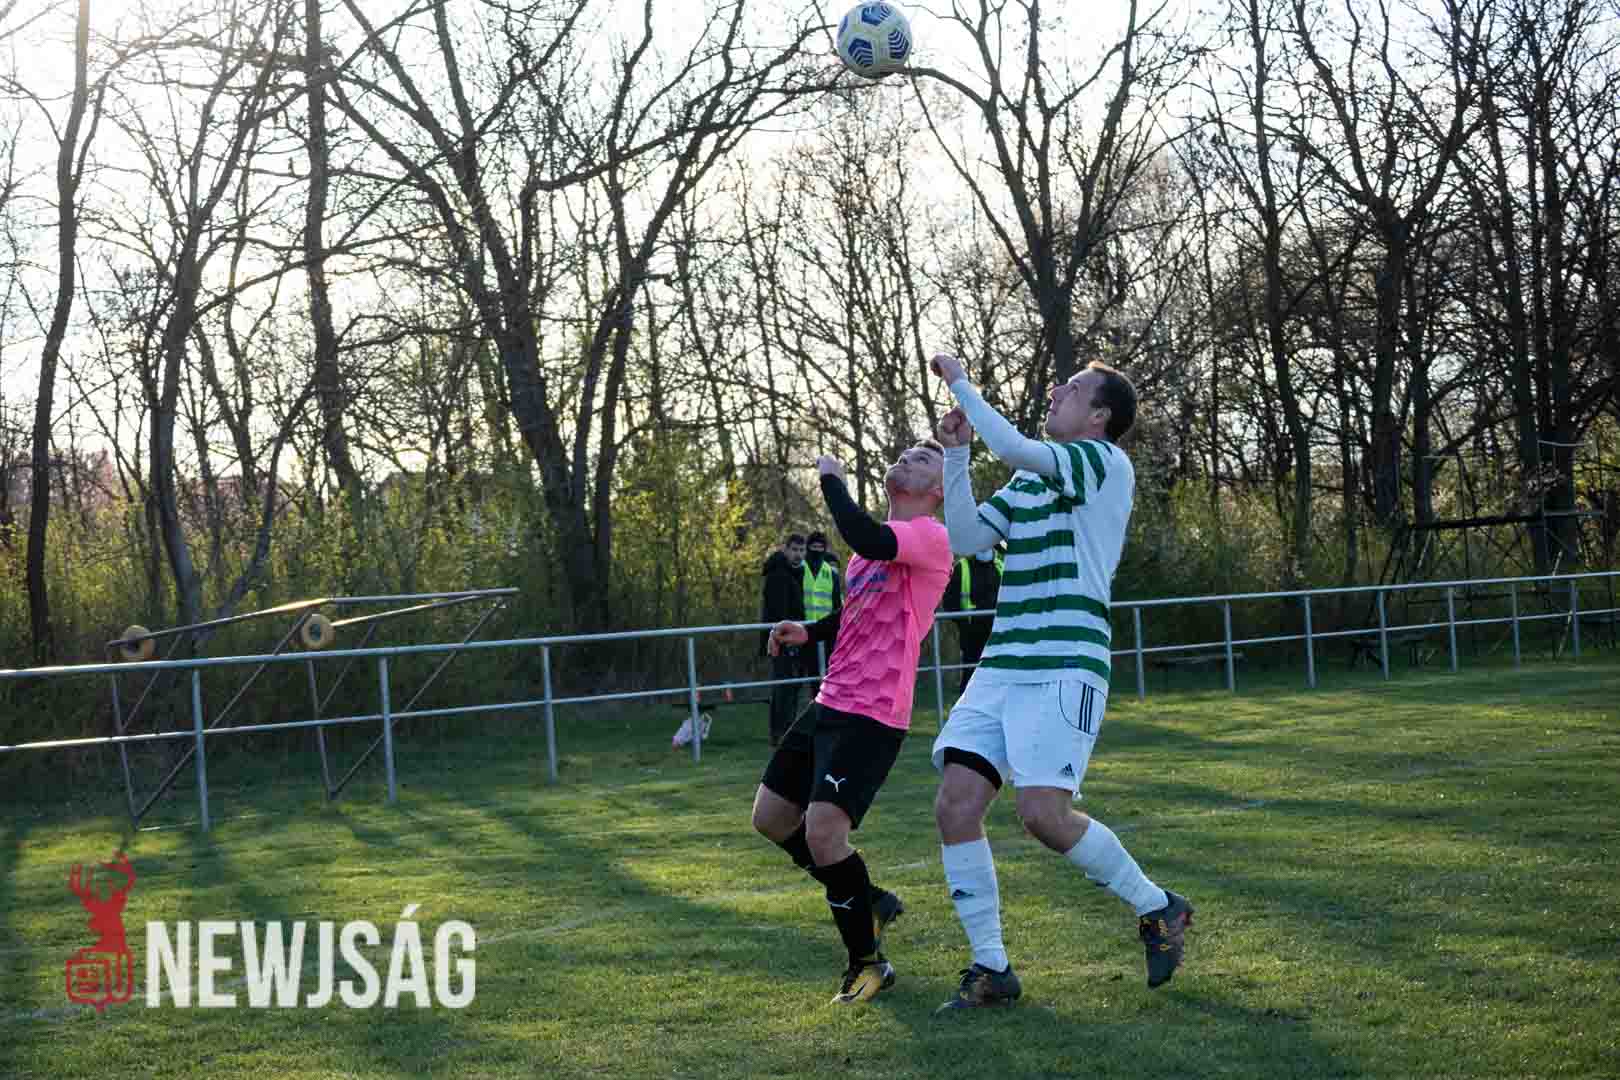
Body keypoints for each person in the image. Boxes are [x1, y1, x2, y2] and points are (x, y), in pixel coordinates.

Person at [927, 351, 1193, 1012]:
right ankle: (992, 968)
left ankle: (1157, 906)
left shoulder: (1103, 463)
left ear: (1099, 416)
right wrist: (956, 457)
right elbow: (965, 538)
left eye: (1071, 389)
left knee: (1042, 815)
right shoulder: (1030, 478)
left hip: (1065, 663)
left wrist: (962, 383)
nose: (1055, 392)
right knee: (955, 805)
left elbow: (1014, 445)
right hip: (1001, 668)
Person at [749, 441, 954, 1005]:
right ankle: (871, 901)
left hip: (874, 714)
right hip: (831, 701)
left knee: (823, 831)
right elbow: (857, 611)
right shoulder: (870, 554)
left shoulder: (930, 537)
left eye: (922, 460)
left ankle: (868, 963)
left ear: (938, 491)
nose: (906, 459)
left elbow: (865, 536)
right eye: (907, 453)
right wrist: (810, 631)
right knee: (770, 817)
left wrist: (831, 481)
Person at [759, 532, 808, 746]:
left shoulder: (795, 573)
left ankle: (784, 731)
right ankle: (780, 733)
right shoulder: (778, 574)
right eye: (794, 550)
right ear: (786, 549)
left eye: (801, 550)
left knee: (790, 687)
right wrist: (786, 638)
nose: (798, 554)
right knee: (784, 687)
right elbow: (779, 612)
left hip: (793, 637)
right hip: (782, 640)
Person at [941, 545, 1003, 692]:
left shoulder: (1001, 567)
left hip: (998, 636)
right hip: (971, 637)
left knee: (997, 682)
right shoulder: (962, 568)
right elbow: (949, 602)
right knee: (970, 682)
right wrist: (964, 624)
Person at [801, 530, 842, 690]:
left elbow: (837, 604)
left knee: (825, 675)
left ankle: (821, 702)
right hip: (803, 629)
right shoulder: (799, 568)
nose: (817, 550)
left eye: (820, 547)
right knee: (800, 678)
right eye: (814, 546)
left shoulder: (831, 573)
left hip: (826, 632)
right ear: (808, 547)